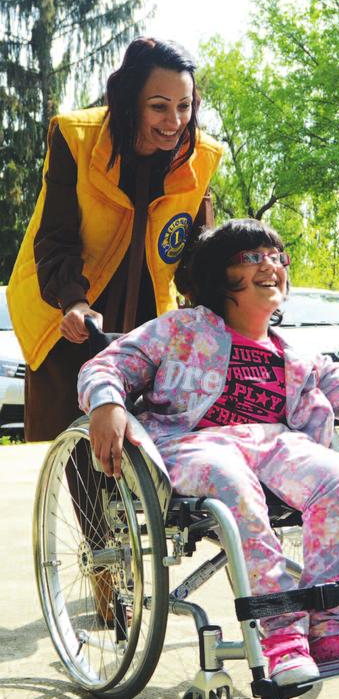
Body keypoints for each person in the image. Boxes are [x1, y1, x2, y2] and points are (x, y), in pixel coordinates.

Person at [79, 219, 339, 686]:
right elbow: (109, 364)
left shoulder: (296, 357)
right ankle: (282, 634)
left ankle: (327, 628)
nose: (271, 265)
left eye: (277, 257)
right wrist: (106, 402)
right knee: (231, 479)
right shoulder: (180, 329)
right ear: (220, 276)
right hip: (192, 445)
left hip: (274, 444)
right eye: (252, 257)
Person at [9, 37, 223, 443]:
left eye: (184, 106)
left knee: (144, 449)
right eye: (159, 106)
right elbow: (55, 237)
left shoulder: (200, 156)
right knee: (65, 446)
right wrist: (73, 301)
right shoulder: (76, 137)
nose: (174, 121)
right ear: (130, 103)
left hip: (145, 320)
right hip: (67, 308)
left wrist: (224, 304)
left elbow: (199, 252)